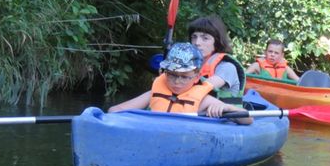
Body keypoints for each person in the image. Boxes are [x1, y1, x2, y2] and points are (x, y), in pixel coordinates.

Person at [108, 43, 252, 124]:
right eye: (171, 75)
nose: (177, 81)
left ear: (196, 76)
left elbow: (248, 120)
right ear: (165, 71)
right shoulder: (153, 94)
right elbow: (114, 110)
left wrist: (225, 107)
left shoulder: (204, 100)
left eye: (184, 77)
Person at [188, 15, 245, 101]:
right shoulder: (189, 65)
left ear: (217, 42)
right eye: (194, 37)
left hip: (222, 113)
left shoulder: (227, 67)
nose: (197, 42)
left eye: (205, 38)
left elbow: (202, 90)